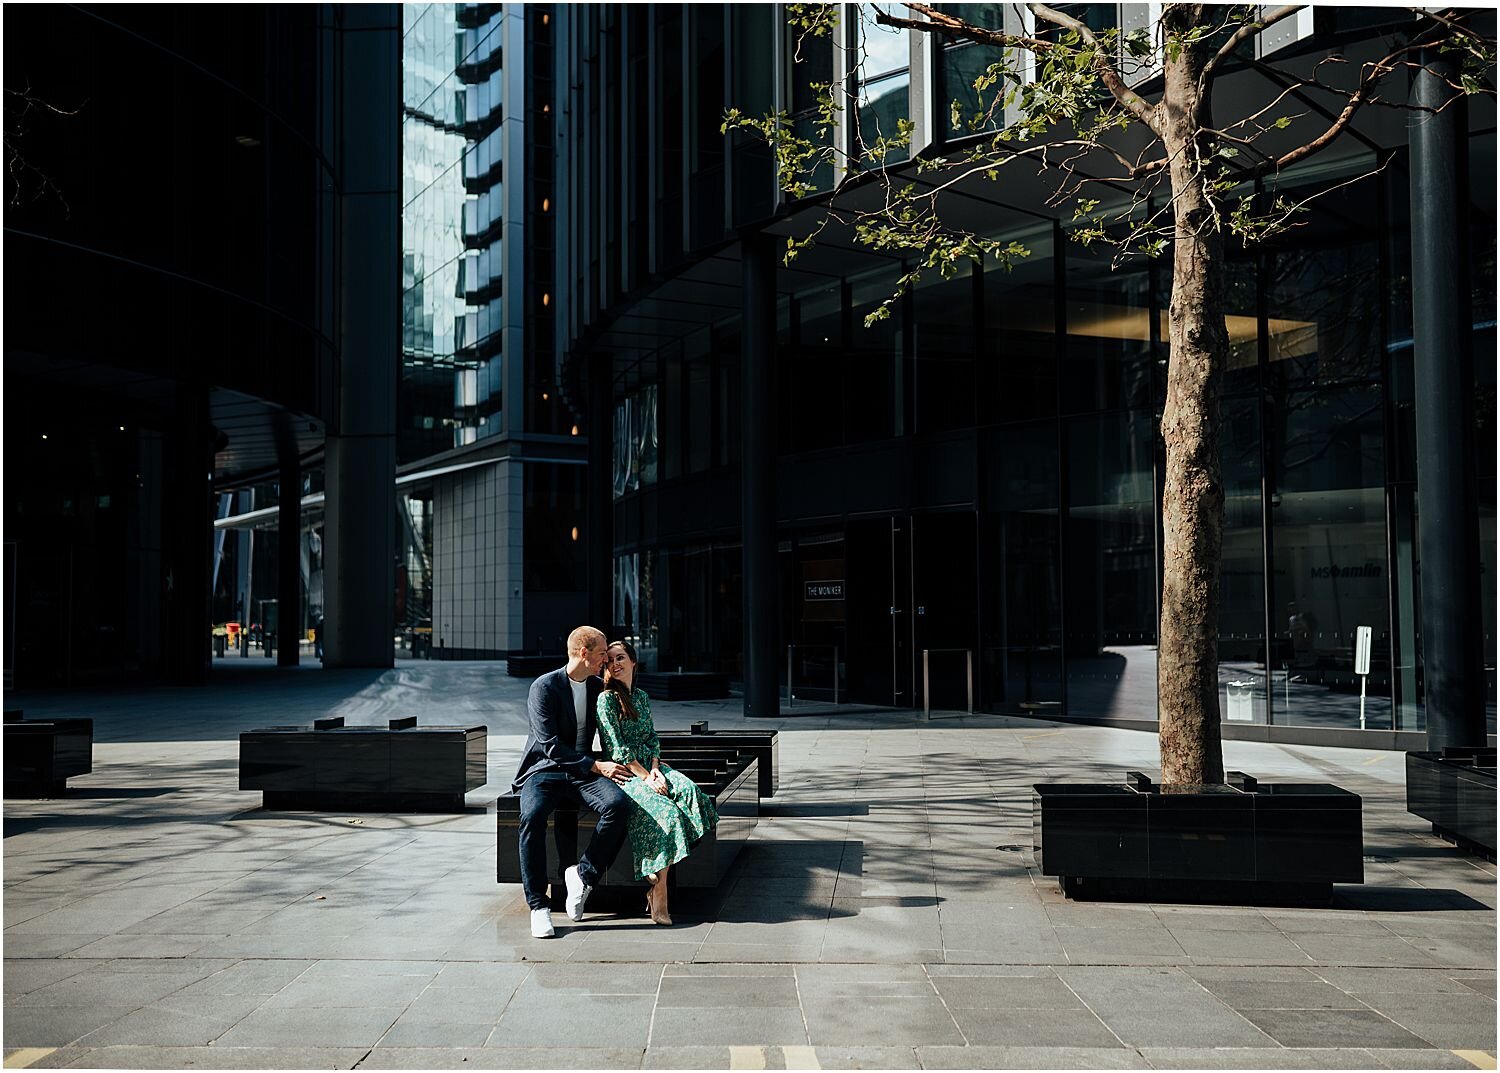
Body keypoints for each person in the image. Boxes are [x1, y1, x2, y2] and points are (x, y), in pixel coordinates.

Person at [512, 626, 633, 938]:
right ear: (584, 653)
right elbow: (550, 745)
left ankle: (583, 875)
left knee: (618, 805)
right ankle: (538, 906)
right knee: (532, 815)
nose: (606, 659)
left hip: (583, 772)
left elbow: (624, 715)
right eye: (602, 653)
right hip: (545, 770)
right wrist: (597, 766)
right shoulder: (544, 687)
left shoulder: (596, 687)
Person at [596, 640, 719, 926]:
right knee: (667, 813)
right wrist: (645, 778)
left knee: (691, 794)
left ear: (633, 662)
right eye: (611, 660)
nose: (615, 663)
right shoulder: (606, 700)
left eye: (621, 657)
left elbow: (652, 739)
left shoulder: (641, 697)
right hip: (626, 772)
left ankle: (657, 874)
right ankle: (659, 890)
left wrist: (656, 771)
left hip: (651, 767)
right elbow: (617, 749)